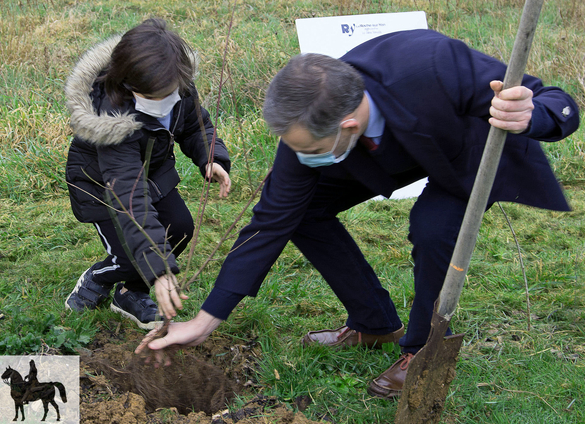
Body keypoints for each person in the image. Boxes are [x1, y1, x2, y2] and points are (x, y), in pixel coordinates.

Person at [136, 29, 579, 397]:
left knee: (432, 228)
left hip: (460, 156)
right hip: (374, 153)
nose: (296, 156)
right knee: (300, 210)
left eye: (306, 149)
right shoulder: (309, 125)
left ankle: (423, 350)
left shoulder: (433, 63)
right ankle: (374, 323)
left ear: (346, 125)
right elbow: (269, 222)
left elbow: (558, 102)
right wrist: (205, 320)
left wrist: (530, 114)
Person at [64, 18, 231, 329]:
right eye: (150, 96)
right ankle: (97, 277)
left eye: (167, 95)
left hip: (153, 172)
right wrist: (160, 271)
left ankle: (130, 292)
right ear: (127, 83)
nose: (161, 103)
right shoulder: (112, 118)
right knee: (129, 257)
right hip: (102, 184)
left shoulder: (179, 84)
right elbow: (129, 194)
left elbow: (197, 126)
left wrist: (210, 157)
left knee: (179, 228)